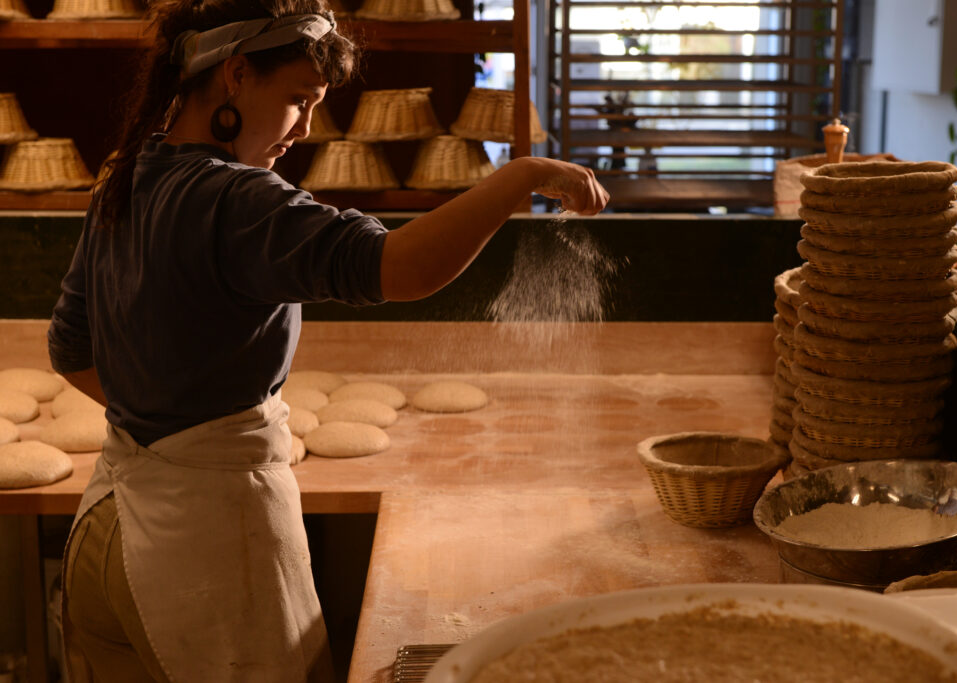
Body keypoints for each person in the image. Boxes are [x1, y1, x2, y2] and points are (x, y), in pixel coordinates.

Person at [47, 1, 608, 681]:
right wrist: (517, 178)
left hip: (106, 528)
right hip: (199, 551)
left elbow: (70, 348)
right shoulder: (237, 200)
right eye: (298, 99)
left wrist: (161, 420)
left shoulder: (125, 176)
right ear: (235, 76)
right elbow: (399, 269)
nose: (306, 128)